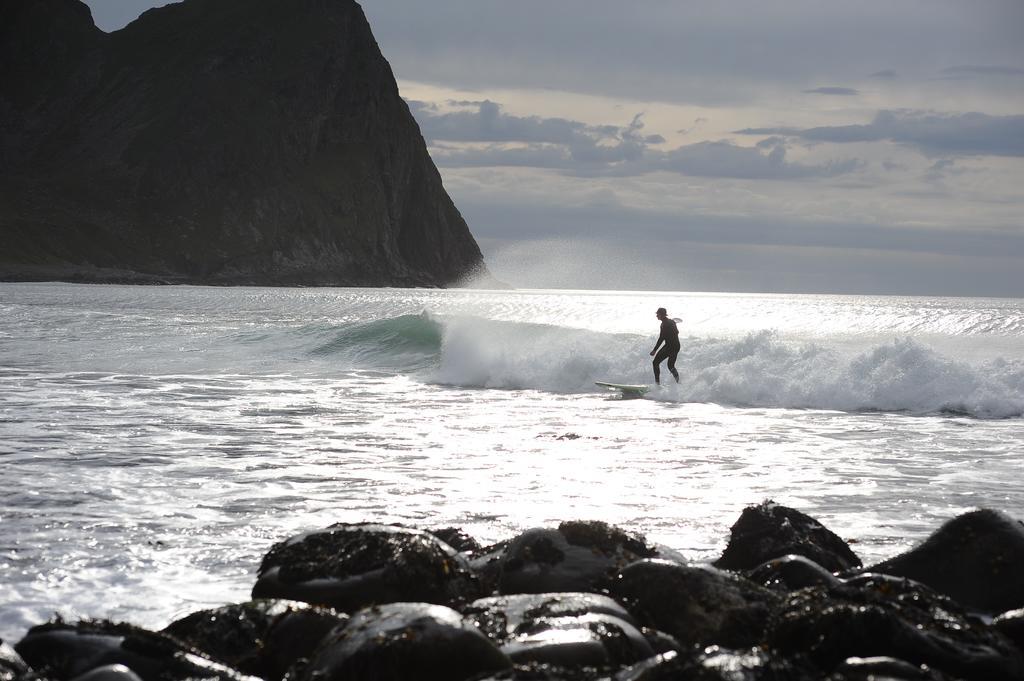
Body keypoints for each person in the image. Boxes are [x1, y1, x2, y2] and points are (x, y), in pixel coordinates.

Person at [649, 307, 680, 384]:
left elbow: (661, 338)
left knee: (655, 362)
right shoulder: (671, 322)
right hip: (676, 346)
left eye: (658, 314)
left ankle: (657, 384)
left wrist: (654, 350)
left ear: (662, 315)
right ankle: (678, 382)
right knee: (671, 366)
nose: (656, 316)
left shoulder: (664, 324)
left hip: (669, 347)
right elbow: (677, 332)